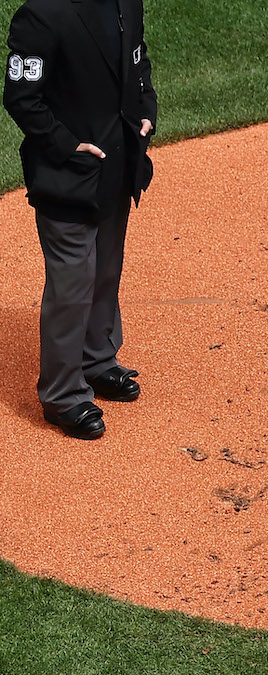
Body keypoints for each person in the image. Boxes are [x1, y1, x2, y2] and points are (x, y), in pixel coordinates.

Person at [4, 0, 157, 440]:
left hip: (118, 165)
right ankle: (64, 395)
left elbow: (138, 59)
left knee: (106, 272)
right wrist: (66, 144)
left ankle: (98, 360)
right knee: (72, 285)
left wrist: (147, 106)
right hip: (68, 174)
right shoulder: (42, 14)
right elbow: (20, 96)